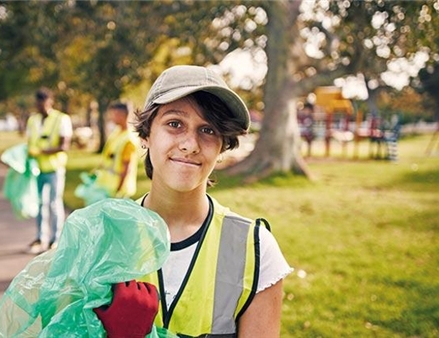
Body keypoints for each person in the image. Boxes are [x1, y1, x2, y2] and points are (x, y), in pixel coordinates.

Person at [94, 65, 293, 337]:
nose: (190, 145)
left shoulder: (255, 250)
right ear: (146, 135)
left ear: (222, 145)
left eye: (208, 130)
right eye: (175, 124)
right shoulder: (103, 235)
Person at [25, 87, 73, 254]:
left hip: (54, 169)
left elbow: (64, 146)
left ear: (50, 102)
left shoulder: (61, 119)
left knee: (54, 203)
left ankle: (56, 238)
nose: (40, 107)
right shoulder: (33, 120)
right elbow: (29, 142)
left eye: (43, 103)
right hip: (37, 169)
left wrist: (42, 151)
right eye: (38, 104)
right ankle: (40, 237)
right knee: (39, 204)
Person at [93, 102, 139, 199]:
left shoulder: (129, 139)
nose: (111, 117)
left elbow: (127, 167)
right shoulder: (117, 132)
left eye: (114, 114)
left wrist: (118, 190)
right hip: (109, 186)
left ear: (122, 115)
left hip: (119, 190)